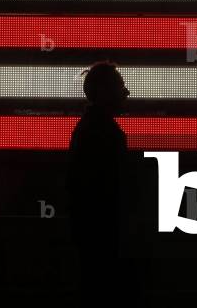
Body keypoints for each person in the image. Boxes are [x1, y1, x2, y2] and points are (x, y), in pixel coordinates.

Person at [67, 61, 141, 307]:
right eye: (120, 86)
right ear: (105, 91)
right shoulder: (103, 133)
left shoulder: (89, 129)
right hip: (104, 236)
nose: (126, 92)